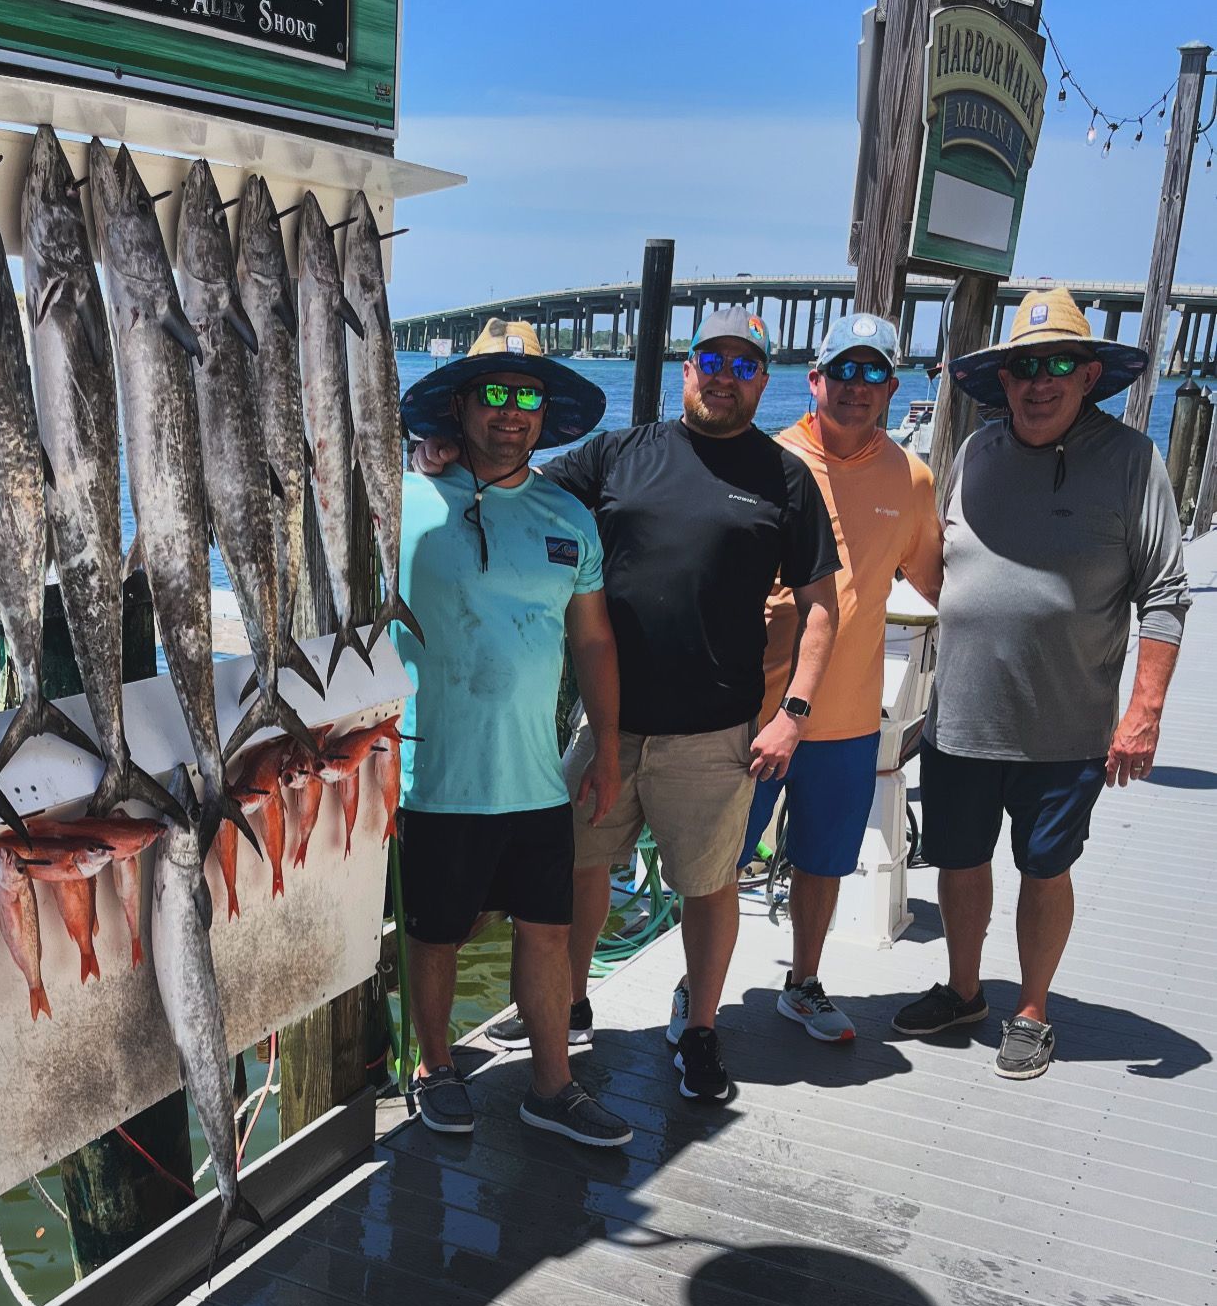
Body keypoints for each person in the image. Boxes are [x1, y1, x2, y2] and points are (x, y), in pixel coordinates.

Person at [472, 308, 841, 1102]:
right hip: (605, 724)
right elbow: (518, 488)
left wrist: (794, 713)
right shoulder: (620, 452)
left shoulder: (784, 478)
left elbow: (821, 606)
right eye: (712, 358)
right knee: (576, 866)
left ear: (763, 383)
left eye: (745, 367)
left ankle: (701, 1028)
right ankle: (568, 1006)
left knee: (708, 886)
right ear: (687, 365)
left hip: (715, 735)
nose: (724, 376)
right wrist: (446, 458)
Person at [894, 287, 1189, 1080]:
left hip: (1067, 725)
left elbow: (1164, 593)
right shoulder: (976, 450)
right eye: (1025, 365)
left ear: (1089, 374)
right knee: (958, 858)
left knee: (1044, 865)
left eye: (1058, 362)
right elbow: (944, 562)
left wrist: (1144, 714)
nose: (1040, 379)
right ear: (1006, 378)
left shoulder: (1131, 460)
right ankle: (963, 989)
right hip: (959, 717)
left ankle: (1031, 1008)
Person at [393, 320, 631, 1147]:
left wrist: (605, 745)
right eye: (491, 393)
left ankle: (552, 1085)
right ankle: (433, 1067)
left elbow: (594, 640)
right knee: (434, 933)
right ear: (457, 406)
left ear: (545, 413)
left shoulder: (571, 516)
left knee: (550, 929)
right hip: (431, 774)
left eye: (526, 395)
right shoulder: (399, 503)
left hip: (535, 775)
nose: (510, 411)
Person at [733, 314, 943, 1042]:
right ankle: (697, 993)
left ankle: (805, 981)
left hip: (850, 714)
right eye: (842, 371)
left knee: (824, 861)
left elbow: (944, 581)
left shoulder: (911, 477)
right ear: (814, 379)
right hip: (754, 712)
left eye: (873, 373)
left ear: (892, 386)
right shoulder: (762, 458)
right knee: (718, 864)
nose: (856, 388)